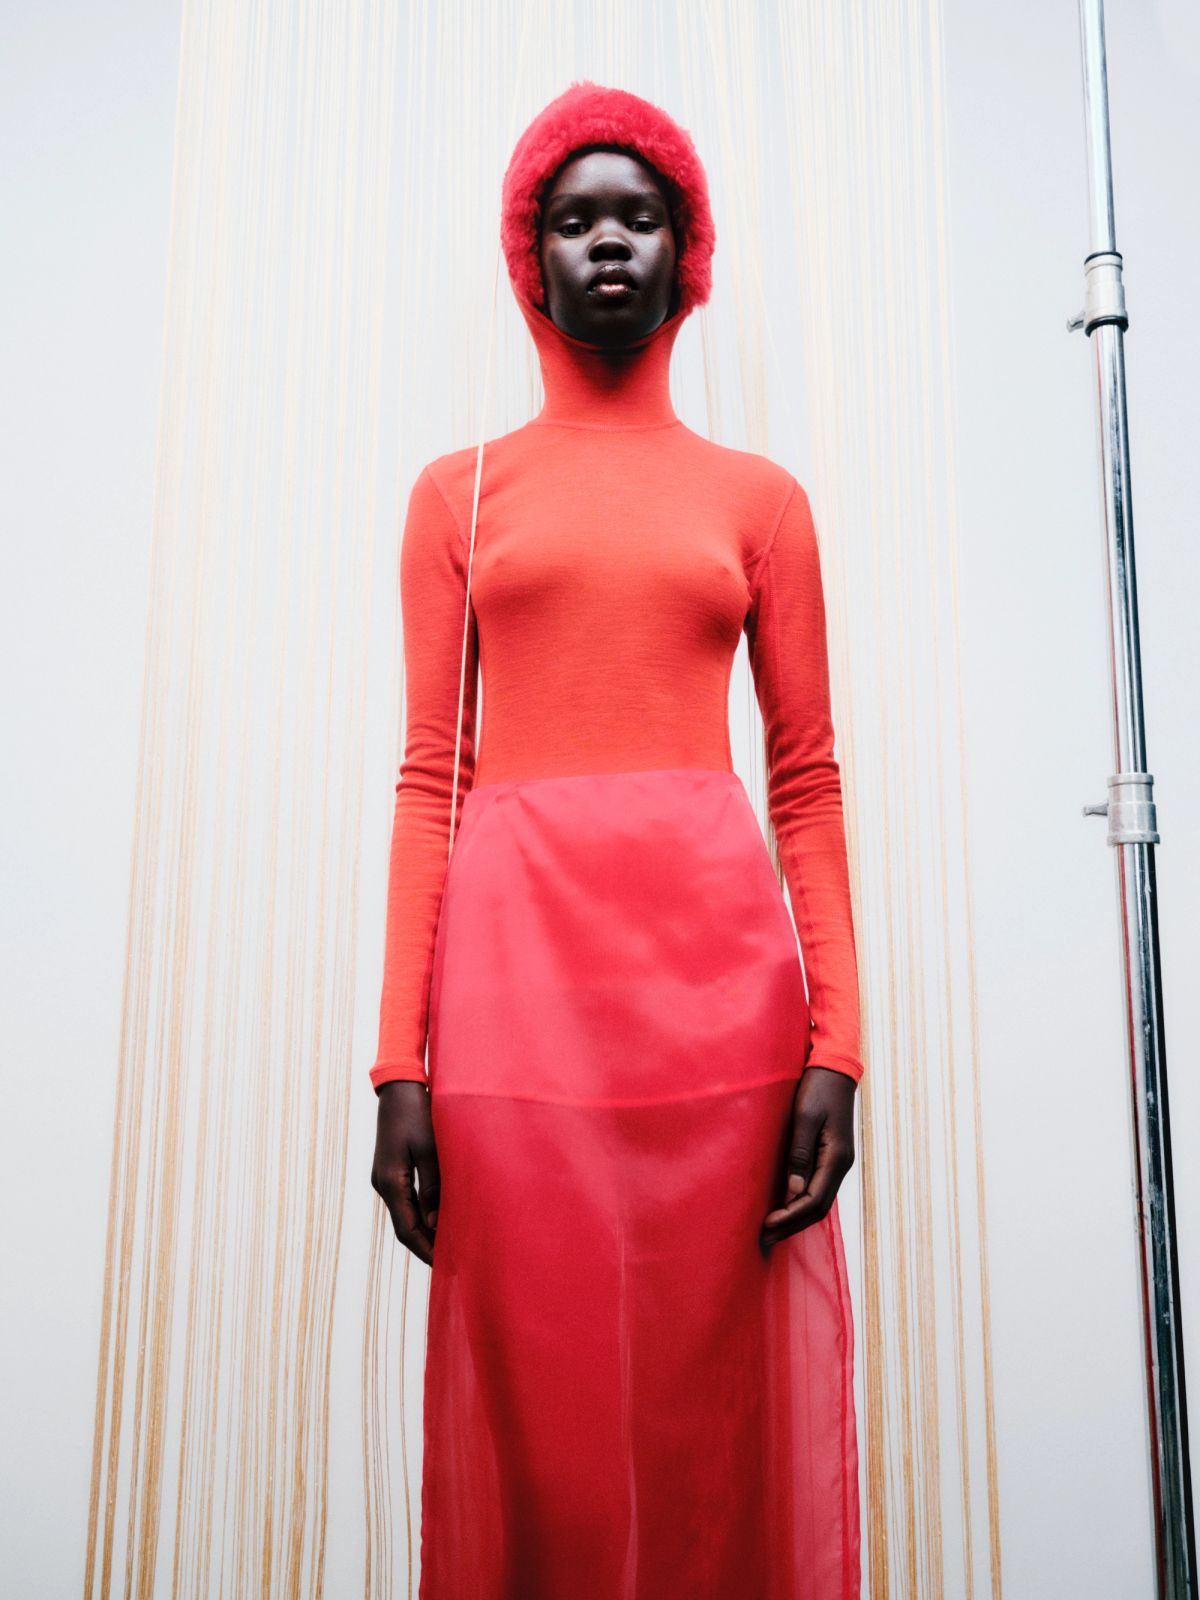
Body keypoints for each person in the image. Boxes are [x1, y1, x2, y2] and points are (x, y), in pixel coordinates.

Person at [370, 79, 863, 1600]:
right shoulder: (456, 496)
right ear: (529, 254)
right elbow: (429, 779)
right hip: (516, 1004)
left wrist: (838, 1049)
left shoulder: (761, 501)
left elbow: (806, 782)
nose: (606, 243)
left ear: (685, 253)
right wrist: (398, 1069)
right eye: (573, 218)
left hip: (721, 1012)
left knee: (710, 1421)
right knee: (545, 1410)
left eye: (637, 218)